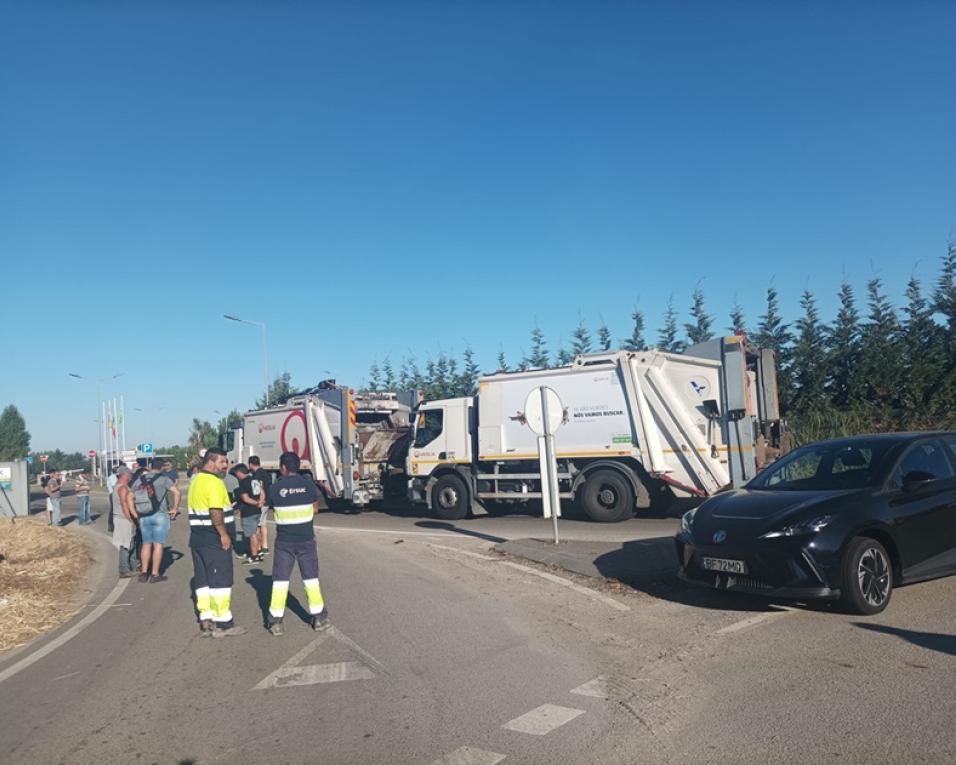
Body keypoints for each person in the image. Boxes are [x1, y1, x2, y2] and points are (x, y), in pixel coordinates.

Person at [266, 451, 329, 636]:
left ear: (283, 468)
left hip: (284, 542)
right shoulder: (309, 485)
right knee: (311, 580)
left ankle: (275, 623)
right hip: (306, 540)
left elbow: (270, 506)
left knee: (280, 582)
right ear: (298, 466)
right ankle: (319, 619)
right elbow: (315, 508)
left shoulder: (275, 488)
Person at [186, 448, 246, 638]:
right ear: (211, 461)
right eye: (223, 462)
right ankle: (224, 623)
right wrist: (223, 534)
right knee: (221, 580)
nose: (226, 466)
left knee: (203, 580)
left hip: (198, 539)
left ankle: (206, 618)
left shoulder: (195, 481)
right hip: (214, 540)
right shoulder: (214, 483)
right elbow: (215, 511)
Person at [131, 461, 180, 583]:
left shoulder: (140, 479)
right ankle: (155, 574)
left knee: (146, 544)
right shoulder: (164, 479)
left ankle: (143, 572)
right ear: (162, 467)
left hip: (144, 515)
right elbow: (177, 492)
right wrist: (174, 509)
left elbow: (130, 496)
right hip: (160, 514)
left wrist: (135, 513)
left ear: (149, 467)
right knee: (158, 544)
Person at [230, 464, 263, 564]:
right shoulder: (254, 480)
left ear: (240, 473)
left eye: (236, 474)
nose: (236, 476)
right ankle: (258, 550)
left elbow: (245, 498)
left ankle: (254, 556)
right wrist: (260, 502)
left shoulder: (243, 483)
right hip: (257, 511)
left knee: (251, 534)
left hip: (248, 511)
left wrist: (256, 503)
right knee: (256, 531)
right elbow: (262, 492)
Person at [110, 467, 139, 577]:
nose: (132, 476)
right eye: (130, 474)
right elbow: (124, 504)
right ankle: (124, 569)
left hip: (122, 518)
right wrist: (130, 519)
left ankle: (133, 565)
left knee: (130, 543)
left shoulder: (122, 487)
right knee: (125, 545)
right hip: (123, 519)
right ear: (125, 475)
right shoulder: (122, 488)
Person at [248, 456, 271, 557]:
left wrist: (257, 501)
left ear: (250, 464)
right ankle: (265, 546)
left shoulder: (256, 475)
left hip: (260, 502)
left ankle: (257, 547)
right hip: (267, 502)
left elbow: (258, 489)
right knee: (264, 524)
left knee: (257, 525)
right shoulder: (266, 473)